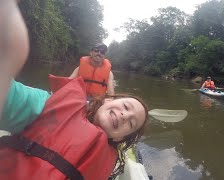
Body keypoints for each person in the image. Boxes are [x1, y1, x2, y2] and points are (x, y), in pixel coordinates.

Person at [0, 1, 148, 179]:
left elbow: (109, 91)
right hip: (82, 102)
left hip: (95, 101)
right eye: (125, 106)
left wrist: (98, 102)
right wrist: (61, 100)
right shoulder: (59, 95)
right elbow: (69, 83)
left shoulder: (108, 74)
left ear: (119, 139)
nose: (125, 115)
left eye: (131, 123)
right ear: (91, 52)